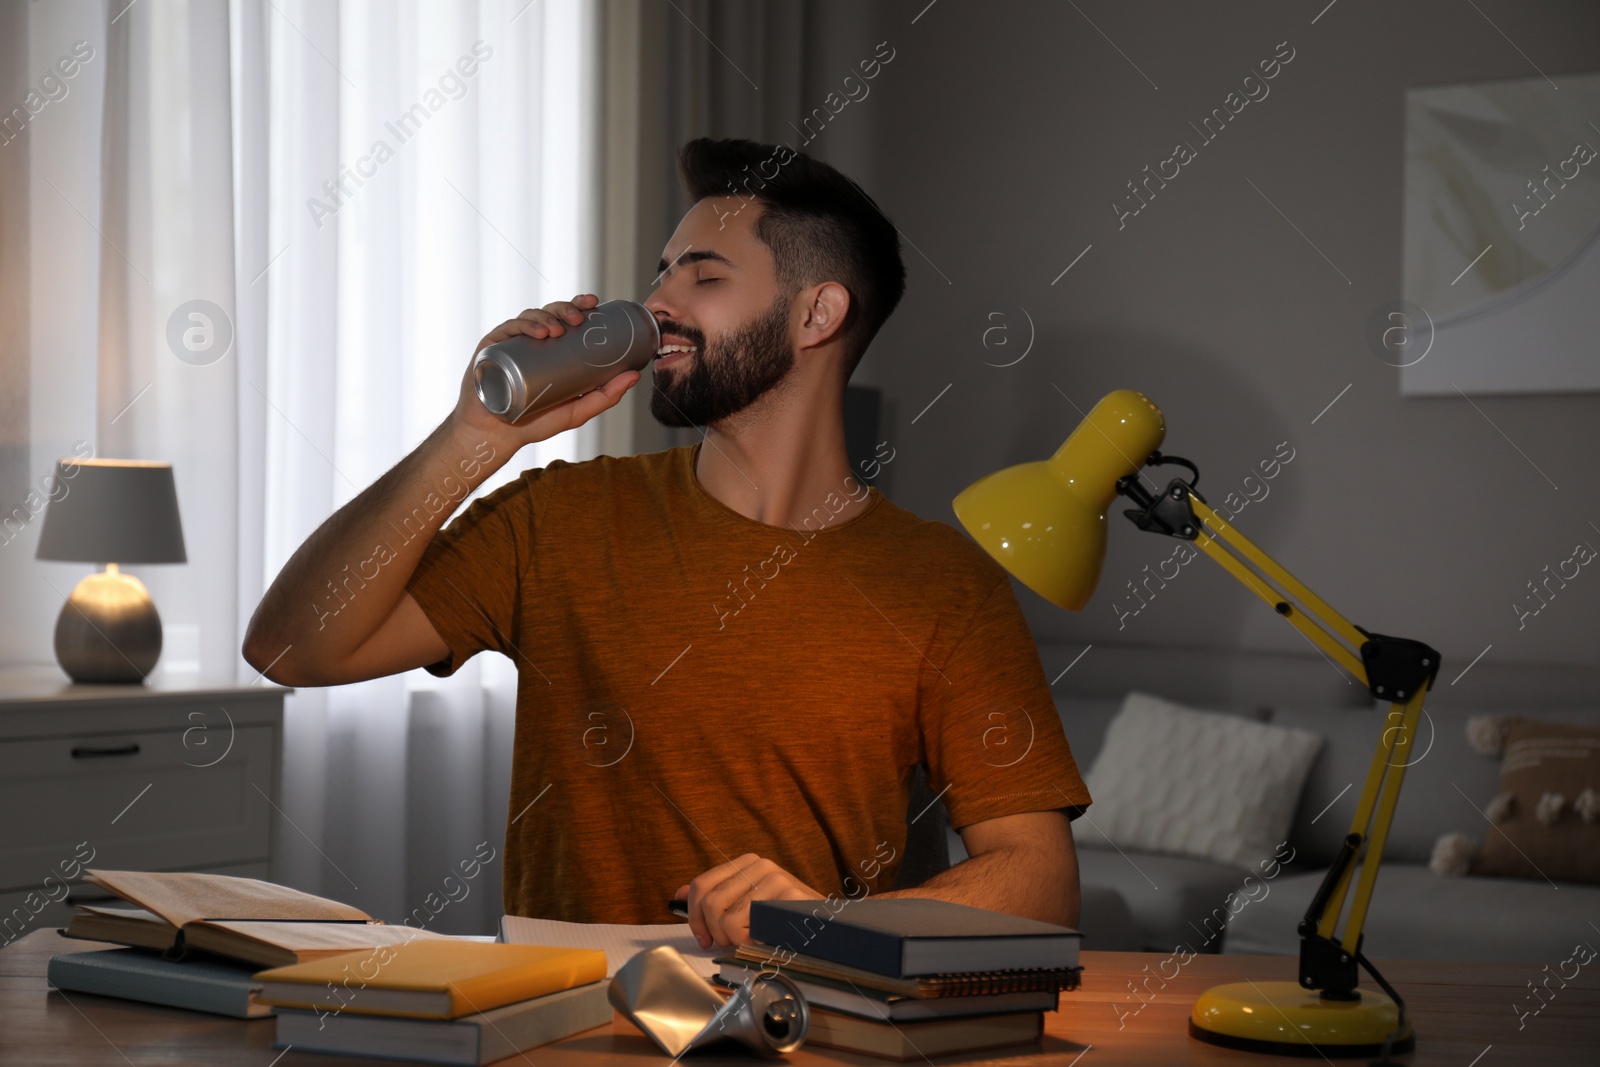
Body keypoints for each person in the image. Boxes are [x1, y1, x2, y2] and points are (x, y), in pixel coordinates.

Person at [243, 137, 1090, 949]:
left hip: (807, 1029)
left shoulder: (942, 583)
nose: (656, 304)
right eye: (661, 272)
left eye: (705, 276)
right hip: (570, 1031)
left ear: (817, 314)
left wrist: (820, 923)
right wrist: (476, 434)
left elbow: (1040, 886)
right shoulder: (559, 516)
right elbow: (291, 647)